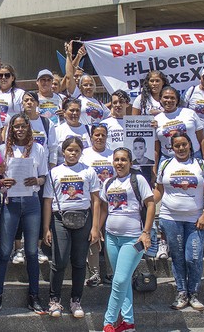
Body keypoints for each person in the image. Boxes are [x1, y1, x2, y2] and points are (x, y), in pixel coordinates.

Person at [0, 114, 48, 315]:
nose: (19, 129)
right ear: (11, 129)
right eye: (16, 126)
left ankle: (34, 296)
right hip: (10, 201)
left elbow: (43, 177)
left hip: (31, 202)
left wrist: (36, 181)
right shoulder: (2, 149)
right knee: (5, 251)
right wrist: (1, 183)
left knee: (32, 252)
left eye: (23, 126)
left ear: (28, 127)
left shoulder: (38, 149)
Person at [154, 131, 204, 311]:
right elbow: (159, 191)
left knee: (193, 257)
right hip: (170, 218)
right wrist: (146, 205)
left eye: (184, 145)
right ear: (171, 148)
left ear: (190, 145)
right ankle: (182, 293)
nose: (181, 148)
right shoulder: (165, 164)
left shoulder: (201, 164)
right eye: (176, 146)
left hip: (195, 220)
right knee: (178, 258)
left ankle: (194, 293)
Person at [43, 136, 101, 318]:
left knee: (78, 262)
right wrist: (46, 228)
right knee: (59, 261)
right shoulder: (54, 173)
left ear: (81, 152)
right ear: (63, 151)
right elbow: (47, 201)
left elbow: (96, 200)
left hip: (83, 219)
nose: (73, 153)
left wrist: (95, 227)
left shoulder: (88, 171)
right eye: (69, 150)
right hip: (60, 219)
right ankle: (54, 300)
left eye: (76, 150)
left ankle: (76, 300)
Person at [100, 147, 155, 332]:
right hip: (111, 237)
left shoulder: (138, 179)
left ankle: (108, 322)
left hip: (133, 239)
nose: (119, 163)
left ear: (130, 162)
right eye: (116, 160)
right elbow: (104, 209)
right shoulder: (108, 182)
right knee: (122, 281)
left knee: (119, 280)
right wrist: (96, 229)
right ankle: (128, 323)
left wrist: (146, 232)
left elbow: (150, 204)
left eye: (123, 160)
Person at [80, 124, 115, 287]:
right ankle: (94, 273)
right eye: (96, 135)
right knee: (93, 235)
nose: (99, 137)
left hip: (112, 203)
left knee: (109, 238)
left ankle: (111, 272)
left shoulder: (113, 154)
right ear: (91, 136)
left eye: (103, 135)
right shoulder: (84, 154)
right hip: (91, 202)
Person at [154, 86, 204, 170]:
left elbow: (201, 139)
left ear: (177, 100)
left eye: (172, 98)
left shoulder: (190, 113)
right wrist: (154, 169)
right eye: (166, 97)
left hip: (194, 156)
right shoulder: (155, 120)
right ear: (160, 99)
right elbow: (156, 149)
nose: (169, 100)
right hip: (168, 159)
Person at [54, 98, 92, 164]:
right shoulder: (57, 130)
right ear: (64, 112)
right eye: (72, 110)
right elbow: (53, 154)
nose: (75, 113)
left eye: (77, 110)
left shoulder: (89, 129)